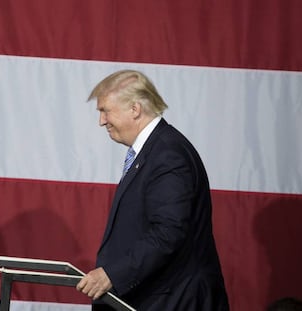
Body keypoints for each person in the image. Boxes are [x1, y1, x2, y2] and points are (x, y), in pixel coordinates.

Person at [76, 69, 229, 310]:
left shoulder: (167, 154)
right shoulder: (155, 150)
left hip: (175, 301)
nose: (101, 121)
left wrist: (112, 275)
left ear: (135, 109)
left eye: (105, 110)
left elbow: (168, 232)